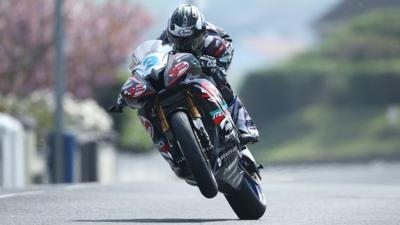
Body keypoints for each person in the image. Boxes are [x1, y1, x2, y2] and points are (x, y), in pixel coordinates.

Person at [157, 4, 261, 172]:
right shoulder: (164, 38)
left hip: (210, 58)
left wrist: (216, 66)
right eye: (179, 40)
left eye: (190, 40)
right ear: (170, 34)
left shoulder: (213, 40)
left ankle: (244, 127)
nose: (185, 45)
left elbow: (227, 53)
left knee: (220, 82)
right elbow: (153, 56)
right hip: (179, 66)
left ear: (201, 32)